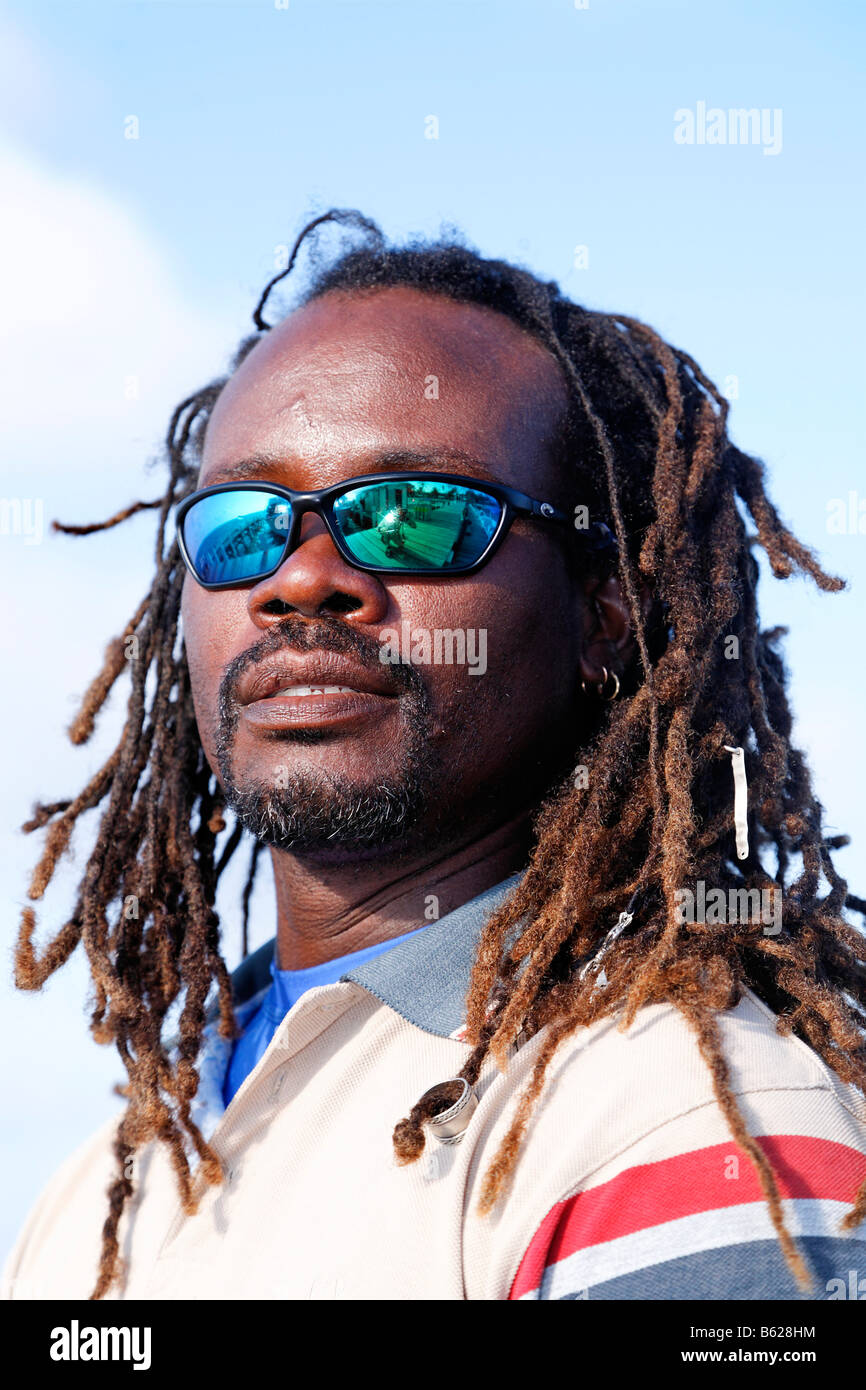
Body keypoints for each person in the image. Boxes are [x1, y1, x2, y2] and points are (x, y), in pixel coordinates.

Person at [5, 209, 866, 1302]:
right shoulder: (99, 1192)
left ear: (605, 612)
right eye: (240, 525)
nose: (301, 576)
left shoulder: (684, 1118)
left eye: (411, 513)